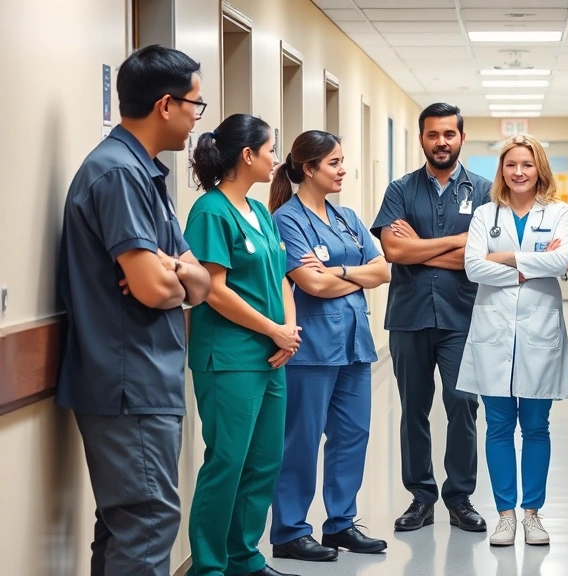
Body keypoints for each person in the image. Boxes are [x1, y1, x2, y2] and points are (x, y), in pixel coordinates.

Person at [55, 45, 211, 576]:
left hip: (143, 378)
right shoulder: (117, 174)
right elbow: (153, 289)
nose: (197, 117)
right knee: (146, 524)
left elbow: (198, 282)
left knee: (126, 526)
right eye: (195, 103)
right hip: (129, 381)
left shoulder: (144, 173)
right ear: (166, 105)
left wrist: (181, 275)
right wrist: (175, 277)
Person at [184, 114, 300, 576]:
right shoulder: (211, 211)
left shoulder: (262, 214)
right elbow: (213, 289)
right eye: (271, 150)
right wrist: (273, 331)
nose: (275, 159)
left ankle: (245, 558)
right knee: (228, 461)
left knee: (264, 461)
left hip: (273, 356)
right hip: (229, 356)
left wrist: (288, 331)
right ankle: (209, 566)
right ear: (248, 155)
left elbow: (282, 278)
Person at [268, 130, 391, 561]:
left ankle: (340, 524)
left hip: (355, 345)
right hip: (312, 348)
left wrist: (335, 272)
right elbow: (310, 284)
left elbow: (383, 271)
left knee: (352, 436)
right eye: (334, 163)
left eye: (342, 162)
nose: (343, 170)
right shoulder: (286, 219)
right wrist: (351, 273)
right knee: (300, 440)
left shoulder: (348, 217)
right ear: (309, 168)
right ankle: (289, 531)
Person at [370, 102, 492, 532]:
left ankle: (459, 497)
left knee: (462, 404)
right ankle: (421, 496)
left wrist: (423, 249)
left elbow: (480, 259)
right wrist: (456, 243)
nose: (441, 142)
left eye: (449, 134)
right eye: (433, 134)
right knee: (413, 409)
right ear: (421, 138)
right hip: (409, 315)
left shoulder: (484, 191)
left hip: (463, 317)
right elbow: (394, 251)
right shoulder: (400, 189)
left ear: (461, 138)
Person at [456, 134, 568, 547]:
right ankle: (505, 516)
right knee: (498, 426)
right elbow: (472, 267)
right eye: (511, 165)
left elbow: (561, 261)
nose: (519, 172)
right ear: (501, 171)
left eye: (527, 164)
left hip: (540, 330)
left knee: (536, 426)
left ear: (539, 168)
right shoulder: (484, 214)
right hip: (493, 332)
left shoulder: (558, 212)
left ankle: (532, 515)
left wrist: (504, 257)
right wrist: (529, 267)